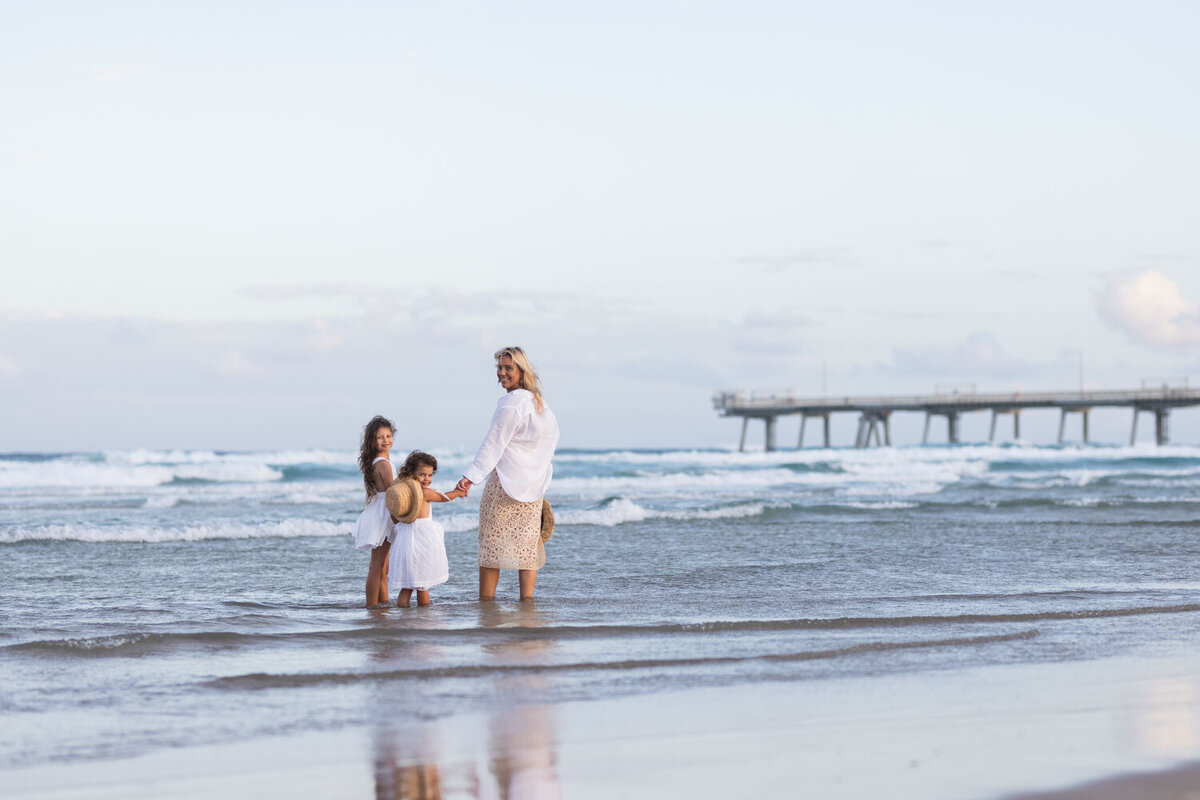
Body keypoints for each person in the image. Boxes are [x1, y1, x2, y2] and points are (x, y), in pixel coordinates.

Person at [456, 347, 559, 601]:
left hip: (504, 484)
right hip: (533, 487)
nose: (501, 373)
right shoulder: (540, 404)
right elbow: (551, 440)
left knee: (491, 547)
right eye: (499, 368)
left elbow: (493, 444)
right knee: (526, 547)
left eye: (508, 368)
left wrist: (470, 477)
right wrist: (537, 472)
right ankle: (527, 603)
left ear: (521, 370)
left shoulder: (512, 404)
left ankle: (487, 603)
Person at [389, 450, 467, 607]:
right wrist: (458, 492)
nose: (427, 479)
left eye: (430, 475)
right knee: (423, 586)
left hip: (405, 539)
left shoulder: (404, 492)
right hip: (421, 541)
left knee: (407, 586)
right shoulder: (424, 492)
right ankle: (424, 618)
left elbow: (394, 516)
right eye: (422, 474)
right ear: (412, 473)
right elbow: (444, 497)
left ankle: (402, 618)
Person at [354, 415, 397, 607]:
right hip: (385, 514)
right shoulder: (383, 464)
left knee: (383, 566)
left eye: (388, 435)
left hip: (380, 511)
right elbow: (393, 494)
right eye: (380, 437)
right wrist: (398, 519)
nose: (385, 440)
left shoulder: (378, 461)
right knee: (377, 565)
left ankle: (384, 603)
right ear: (372, 440)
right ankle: (372, 606)